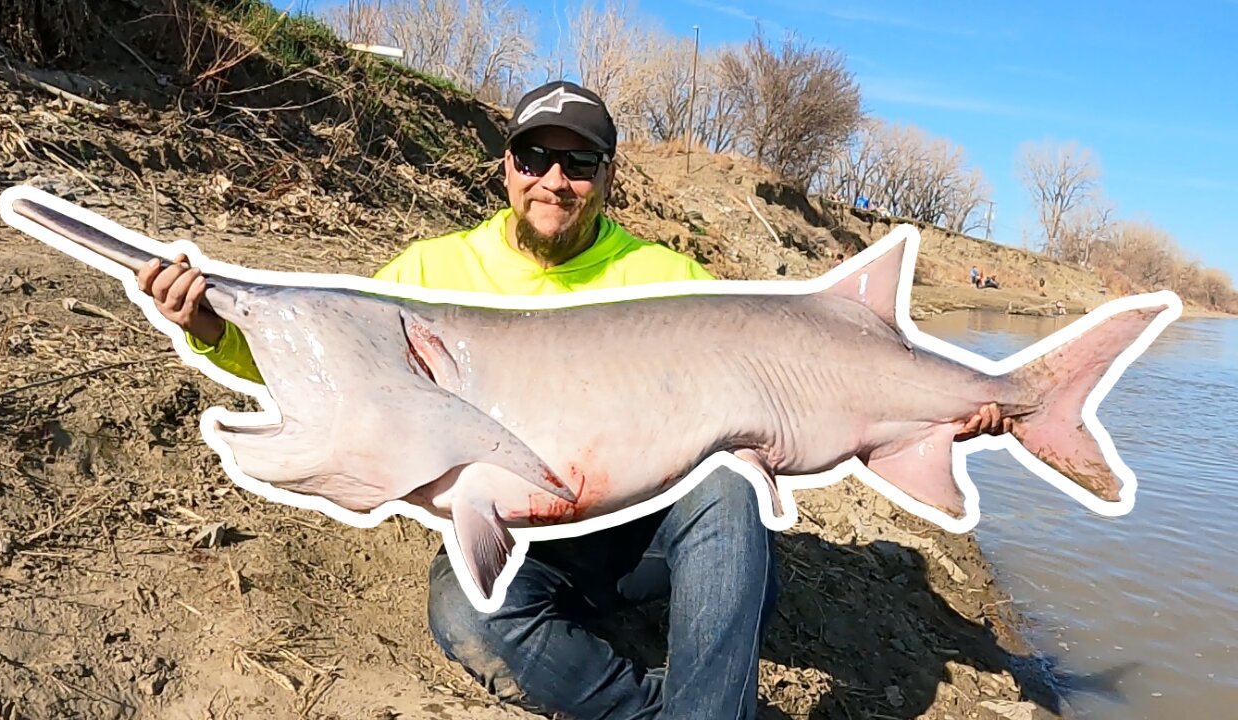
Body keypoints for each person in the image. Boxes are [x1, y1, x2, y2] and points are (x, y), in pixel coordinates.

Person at [135, 80, 1011, 719]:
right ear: (506, 166)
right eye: (536, 157)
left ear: (606, 175)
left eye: (579, 162)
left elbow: (805, 375)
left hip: (659, 535)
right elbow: (330, 378)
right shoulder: (426, 275)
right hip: (533, 540)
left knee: (729, 486)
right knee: (467, 619)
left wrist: (960, 414)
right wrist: (213, 330)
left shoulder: (669, 279)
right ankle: (660, 708)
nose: (555, 179)